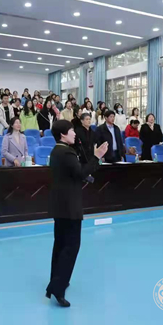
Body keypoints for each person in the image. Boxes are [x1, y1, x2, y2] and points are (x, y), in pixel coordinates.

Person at [46, 120, 108, 307]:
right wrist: (97, 156)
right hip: (69, 206)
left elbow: (75, 173)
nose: (75, 133)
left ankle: (57, 280)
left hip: (60, 205)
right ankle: (58, 288)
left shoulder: (57, 151)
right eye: (72, 130)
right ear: (63, 134)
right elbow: (80, 173)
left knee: (60, 244)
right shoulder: (66, 152)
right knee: (71, 246)